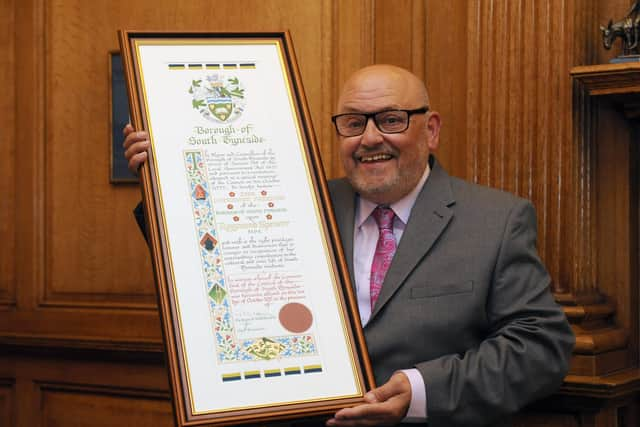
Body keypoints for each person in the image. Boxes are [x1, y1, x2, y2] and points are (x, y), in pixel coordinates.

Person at [123, 64, 575, 427]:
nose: (371, 138)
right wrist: (163, 176)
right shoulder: (298, 205)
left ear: (431, 129)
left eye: (392, 119)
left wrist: (420, 390)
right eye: (354, 123)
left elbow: (540, 347)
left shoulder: (496, 220)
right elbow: (213, 259)